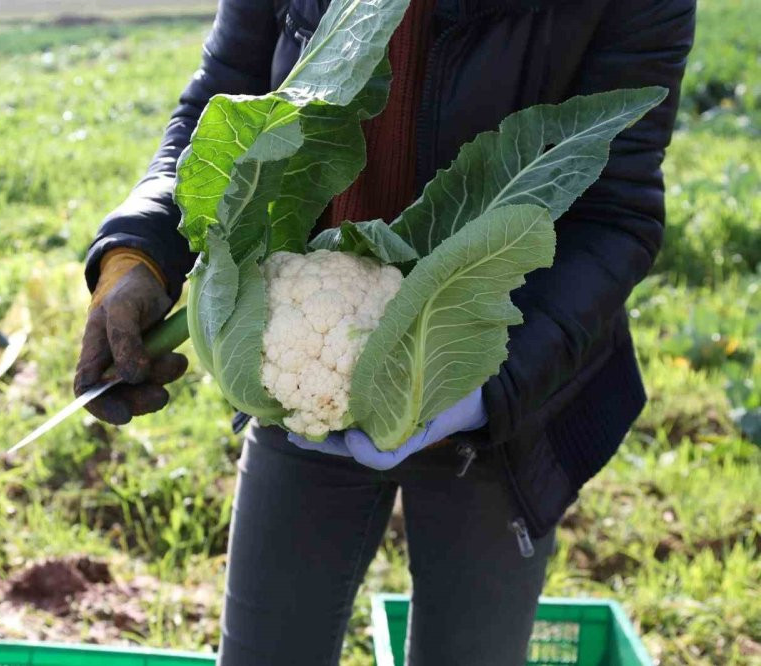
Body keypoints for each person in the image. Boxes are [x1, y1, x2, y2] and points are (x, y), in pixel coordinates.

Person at [74, 0, 695, 663]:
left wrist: (483, 390)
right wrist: (136, 257)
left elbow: (615, 213)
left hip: (506, 397)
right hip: (304, 362)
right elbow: (220, 103)